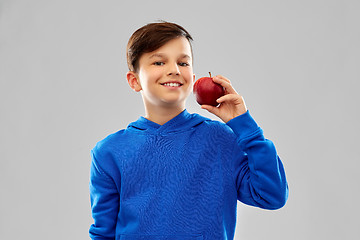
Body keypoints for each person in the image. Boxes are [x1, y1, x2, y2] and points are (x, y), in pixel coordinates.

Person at [89, 21, 288, 240]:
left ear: (192, 79)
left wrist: (245, 125)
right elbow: (103, 233)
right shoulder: (109, 152)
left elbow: (272, 195)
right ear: (134, 80)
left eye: (183, 63)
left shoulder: (220, 139)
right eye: (158, 62)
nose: (174, 70)